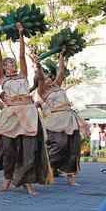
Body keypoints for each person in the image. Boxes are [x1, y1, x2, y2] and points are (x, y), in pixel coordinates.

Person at [0, 24, 51, 195]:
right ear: (4, 68)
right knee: (9, 149)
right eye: (9, 64)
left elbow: (21, 56)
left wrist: (21, 34)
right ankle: (8, 177)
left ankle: (27, 182)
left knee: (29, 149)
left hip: (28, 113)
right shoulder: (2, 79)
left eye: (13, 63)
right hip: (11, 115)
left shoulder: (23, 75)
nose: (13, 65)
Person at [35, 47, 88, 186]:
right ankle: (47, 168)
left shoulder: (57, 85)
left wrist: (61, 55)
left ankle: (70, 177)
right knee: (60, 145)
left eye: (49, 77)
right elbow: (40, 77)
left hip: (70, 118)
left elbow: (61, 71)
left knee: (74, 147)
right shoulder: (42, 91)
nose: (48, 79)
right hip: (55, 121)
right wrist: (38, 65)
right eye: (45, 78)